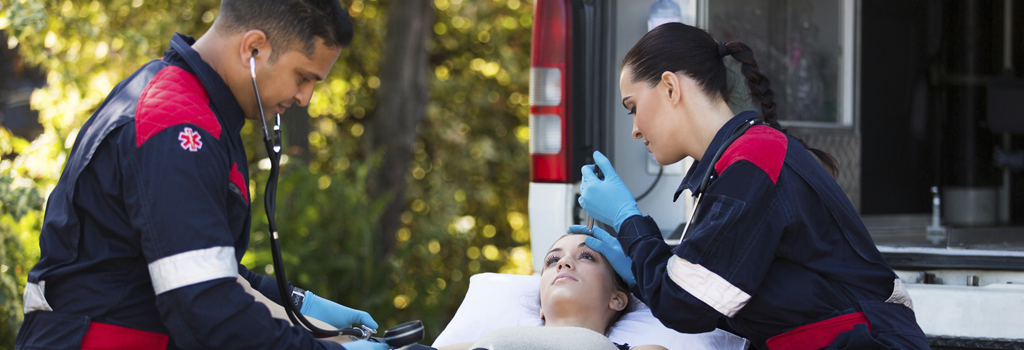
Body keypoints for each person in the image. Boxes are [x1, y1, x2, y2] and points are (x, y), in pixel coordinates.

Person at [15, 1, 388, 349]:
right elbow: (206, 306)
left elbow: (197, 263)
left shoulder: (187, 105)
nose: (304, 97)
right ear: (253, 49)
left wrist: (298, 302)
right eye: (303, 78)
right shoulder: (176, 125)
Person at [575, 22, 929, 350]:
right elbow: (710, 293)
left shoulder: (754, 161)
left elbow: (685, 307)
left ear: (670, 87)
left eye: (633, 107)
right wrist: (641, 274)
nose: (635, 128)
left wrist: (627, 221)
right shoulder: (737, 164)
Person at [438, 234, 666, 350]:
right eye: (552, 260)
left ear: (616, 299)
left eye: (586, 256)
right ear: (541, 308)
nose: (563, 262)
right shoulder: (480, 344)